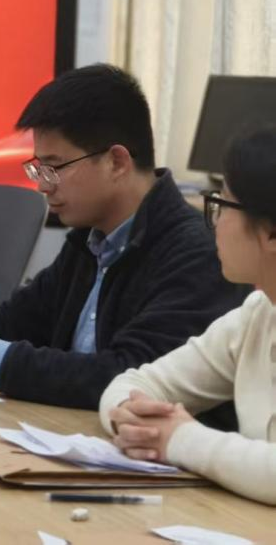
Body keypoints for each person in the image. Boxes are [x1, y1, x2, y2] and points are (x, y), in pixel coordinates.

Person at [0, 64, 245, 409]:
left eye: (55, 166)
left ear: (117, 161)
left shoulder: (195, 252)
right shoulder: (89, 240)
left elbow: (130, 375)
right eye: (38, 168)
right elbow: (13, 321)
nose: (42, 185)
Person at [99, 126, 276, 504]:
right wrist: (129, 416)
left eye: (222, 205)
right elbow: (134, 382)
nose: (214, 222)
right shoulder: (257, 315)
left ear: (272, 233)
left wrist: (180, 439)